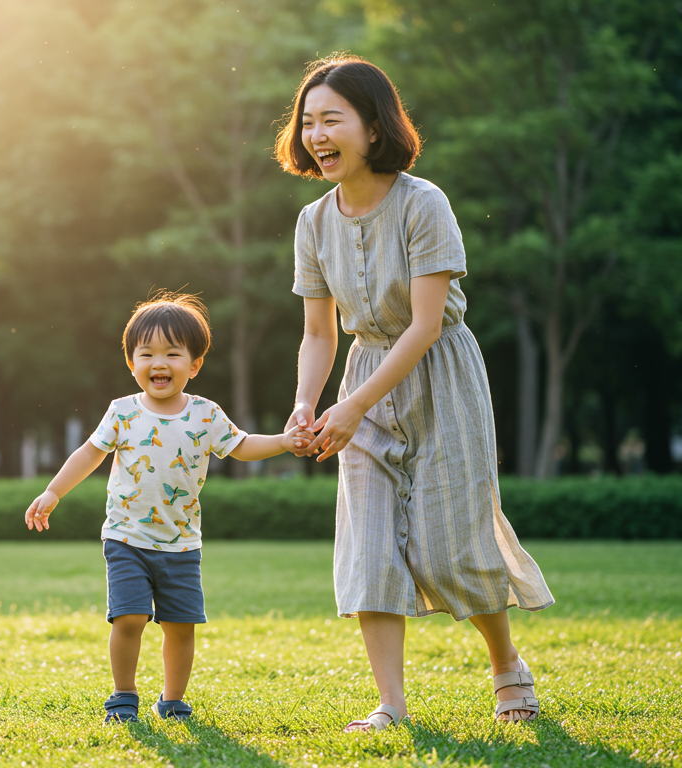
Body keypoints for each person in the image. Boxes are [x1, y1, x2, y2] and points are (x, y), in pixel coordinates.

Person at [275, 55, 556, 731]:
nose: (317, 134)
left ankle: (505, 664)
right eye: (308, 122)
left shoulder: (423, 204)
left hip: (439, 376)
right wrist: (307, 403)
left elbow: (426, 325)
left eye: (331, 119)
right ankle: (391, 707)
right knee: (367, 549)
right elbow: (320, 333)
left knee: (449, 546)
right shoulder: (313, 223)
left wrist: (353, 406)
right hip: (362, 381)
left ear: (373, 126)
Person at [23, 294, 312, 723]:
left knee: (181, 626)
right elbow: (89, 453)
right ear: (132, 363)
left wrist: (283, 442)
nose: (159, 362)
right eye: (147, 354)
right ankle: (123, 697)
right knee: (129, 618)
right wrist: (53, 492)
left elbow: (242, 445)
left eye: (173, 353)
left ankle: (172, 699)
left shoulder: (205, 414)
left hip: (181, 544)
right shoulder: (122, 412)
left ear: (194, 365)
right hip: (127, 537)